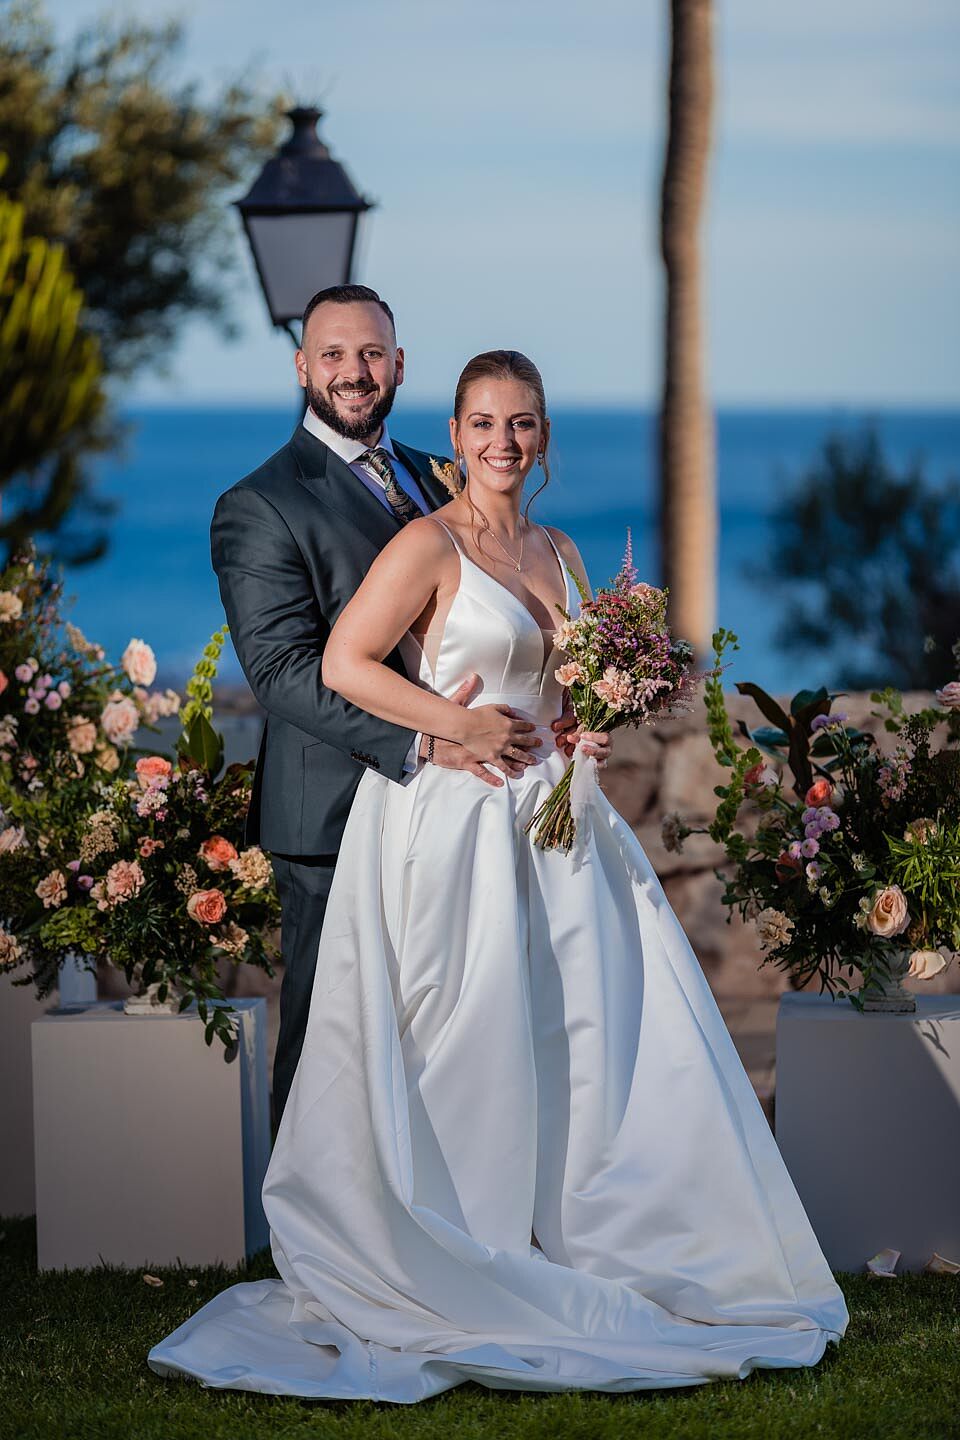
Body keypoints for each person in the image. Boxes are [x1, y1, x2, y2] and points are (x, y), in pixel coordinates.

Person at [150, 350, 848, 1401]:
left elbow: (563, 687)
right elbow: (343, 664)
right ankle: (461, 1240)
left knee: (584, 1035)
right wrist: (453, 726)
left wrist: (585, 728)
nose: (502, 442)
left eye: (521, 423)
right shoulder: (425, 545)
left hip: (559, 827)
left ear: (544, 434)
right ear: (457, 433)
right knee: (464, 1032)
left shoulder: (561, 550)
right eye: (483, 423)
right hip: (457, 820)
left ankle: (589, 1232)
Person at [209, 287, 585, 1126]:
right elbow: (283, 673)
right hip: (334, 806)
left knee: (443, 1034)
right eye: (333, 355)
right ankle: (305, 1208)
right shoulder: (260, 503)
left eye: (371, 354)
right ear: (302, 367)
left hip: (467, 809)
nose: (354, 372)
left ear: (399, 365)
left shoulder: (441, 470)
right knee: (331, 1038)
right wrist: (429, 741)